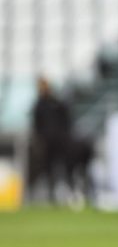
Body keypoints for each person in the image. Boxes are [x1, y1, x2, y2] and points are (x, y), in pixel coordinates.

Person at [27, 76, 71, 204]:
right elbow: (36, 126)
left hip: (59, 143)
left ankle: (67, 194)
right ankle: (50, 196)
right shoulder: (39, 105)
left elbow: (66, 122)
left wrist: (64, 137)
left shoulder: (57, 103)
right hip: (45, 144)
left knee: (61, 167)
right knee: (47, 169)